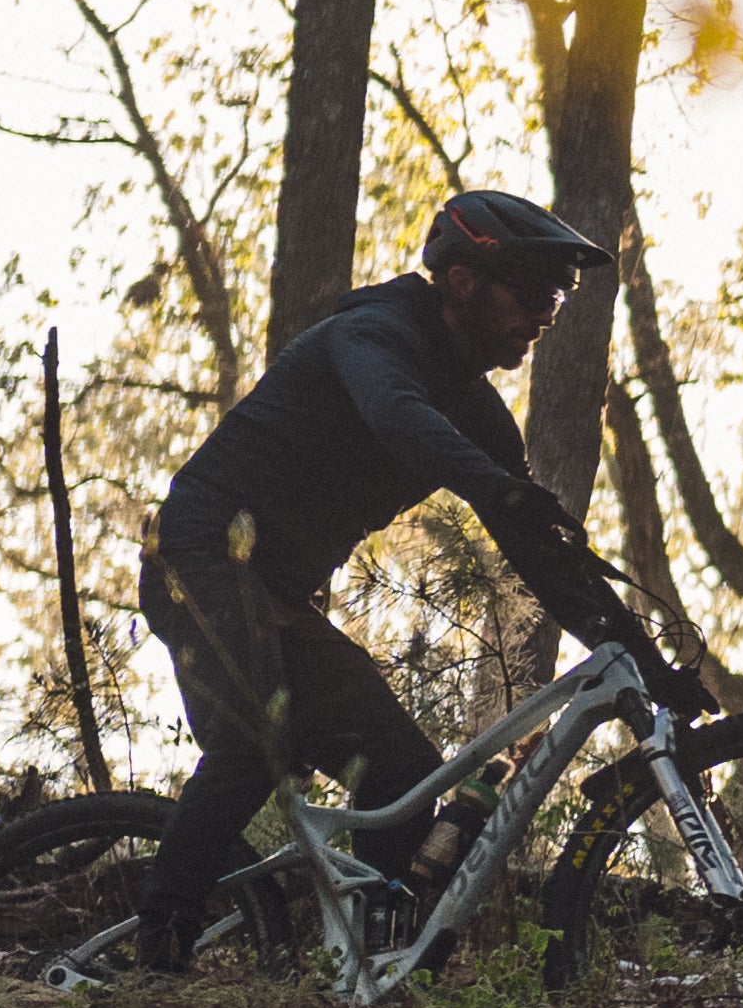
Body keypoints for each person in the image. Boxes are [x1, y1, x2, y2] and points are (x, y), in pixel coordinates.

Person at [136, 189, 703, 964]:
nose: (545, 313)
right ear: (463, 280)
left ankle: (365, 971)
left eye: (559, 299)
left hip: (275, 598)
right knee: (251, 738)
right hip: (199, 559)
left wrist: (645, 660)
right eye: (533, 292)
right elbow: (398, 413)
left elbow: (543, 555)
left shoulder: (474, 409)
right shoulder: (373, 334)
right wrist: (495, 483)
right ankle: (158, 941)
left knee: (404, 774)